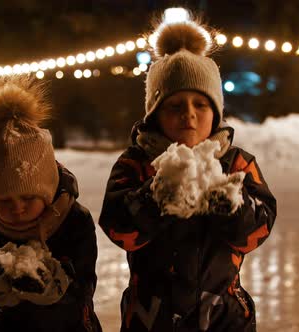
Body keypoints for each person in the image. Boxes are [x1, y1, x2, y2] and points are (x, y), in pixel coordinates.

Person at [98, 14, 277, 332]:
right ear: (155, 115)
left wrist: (233, 207)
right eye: (175, 106)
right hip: (150, 317)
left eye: (200, 104)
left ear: (216, 112)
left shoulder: (237, 164)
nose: (189, 115)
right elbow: (117, 227)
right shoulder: (136, 163)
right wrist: (155, 197)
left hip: (223, 316)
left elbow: (258, 230)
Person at [0, 77, 102, 332]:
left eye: (27, 197)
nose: (17, 208)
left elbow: (84, 286)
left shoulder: (74, 221)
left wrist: (51, 286)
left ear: (47, 191)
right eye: (4, 200)